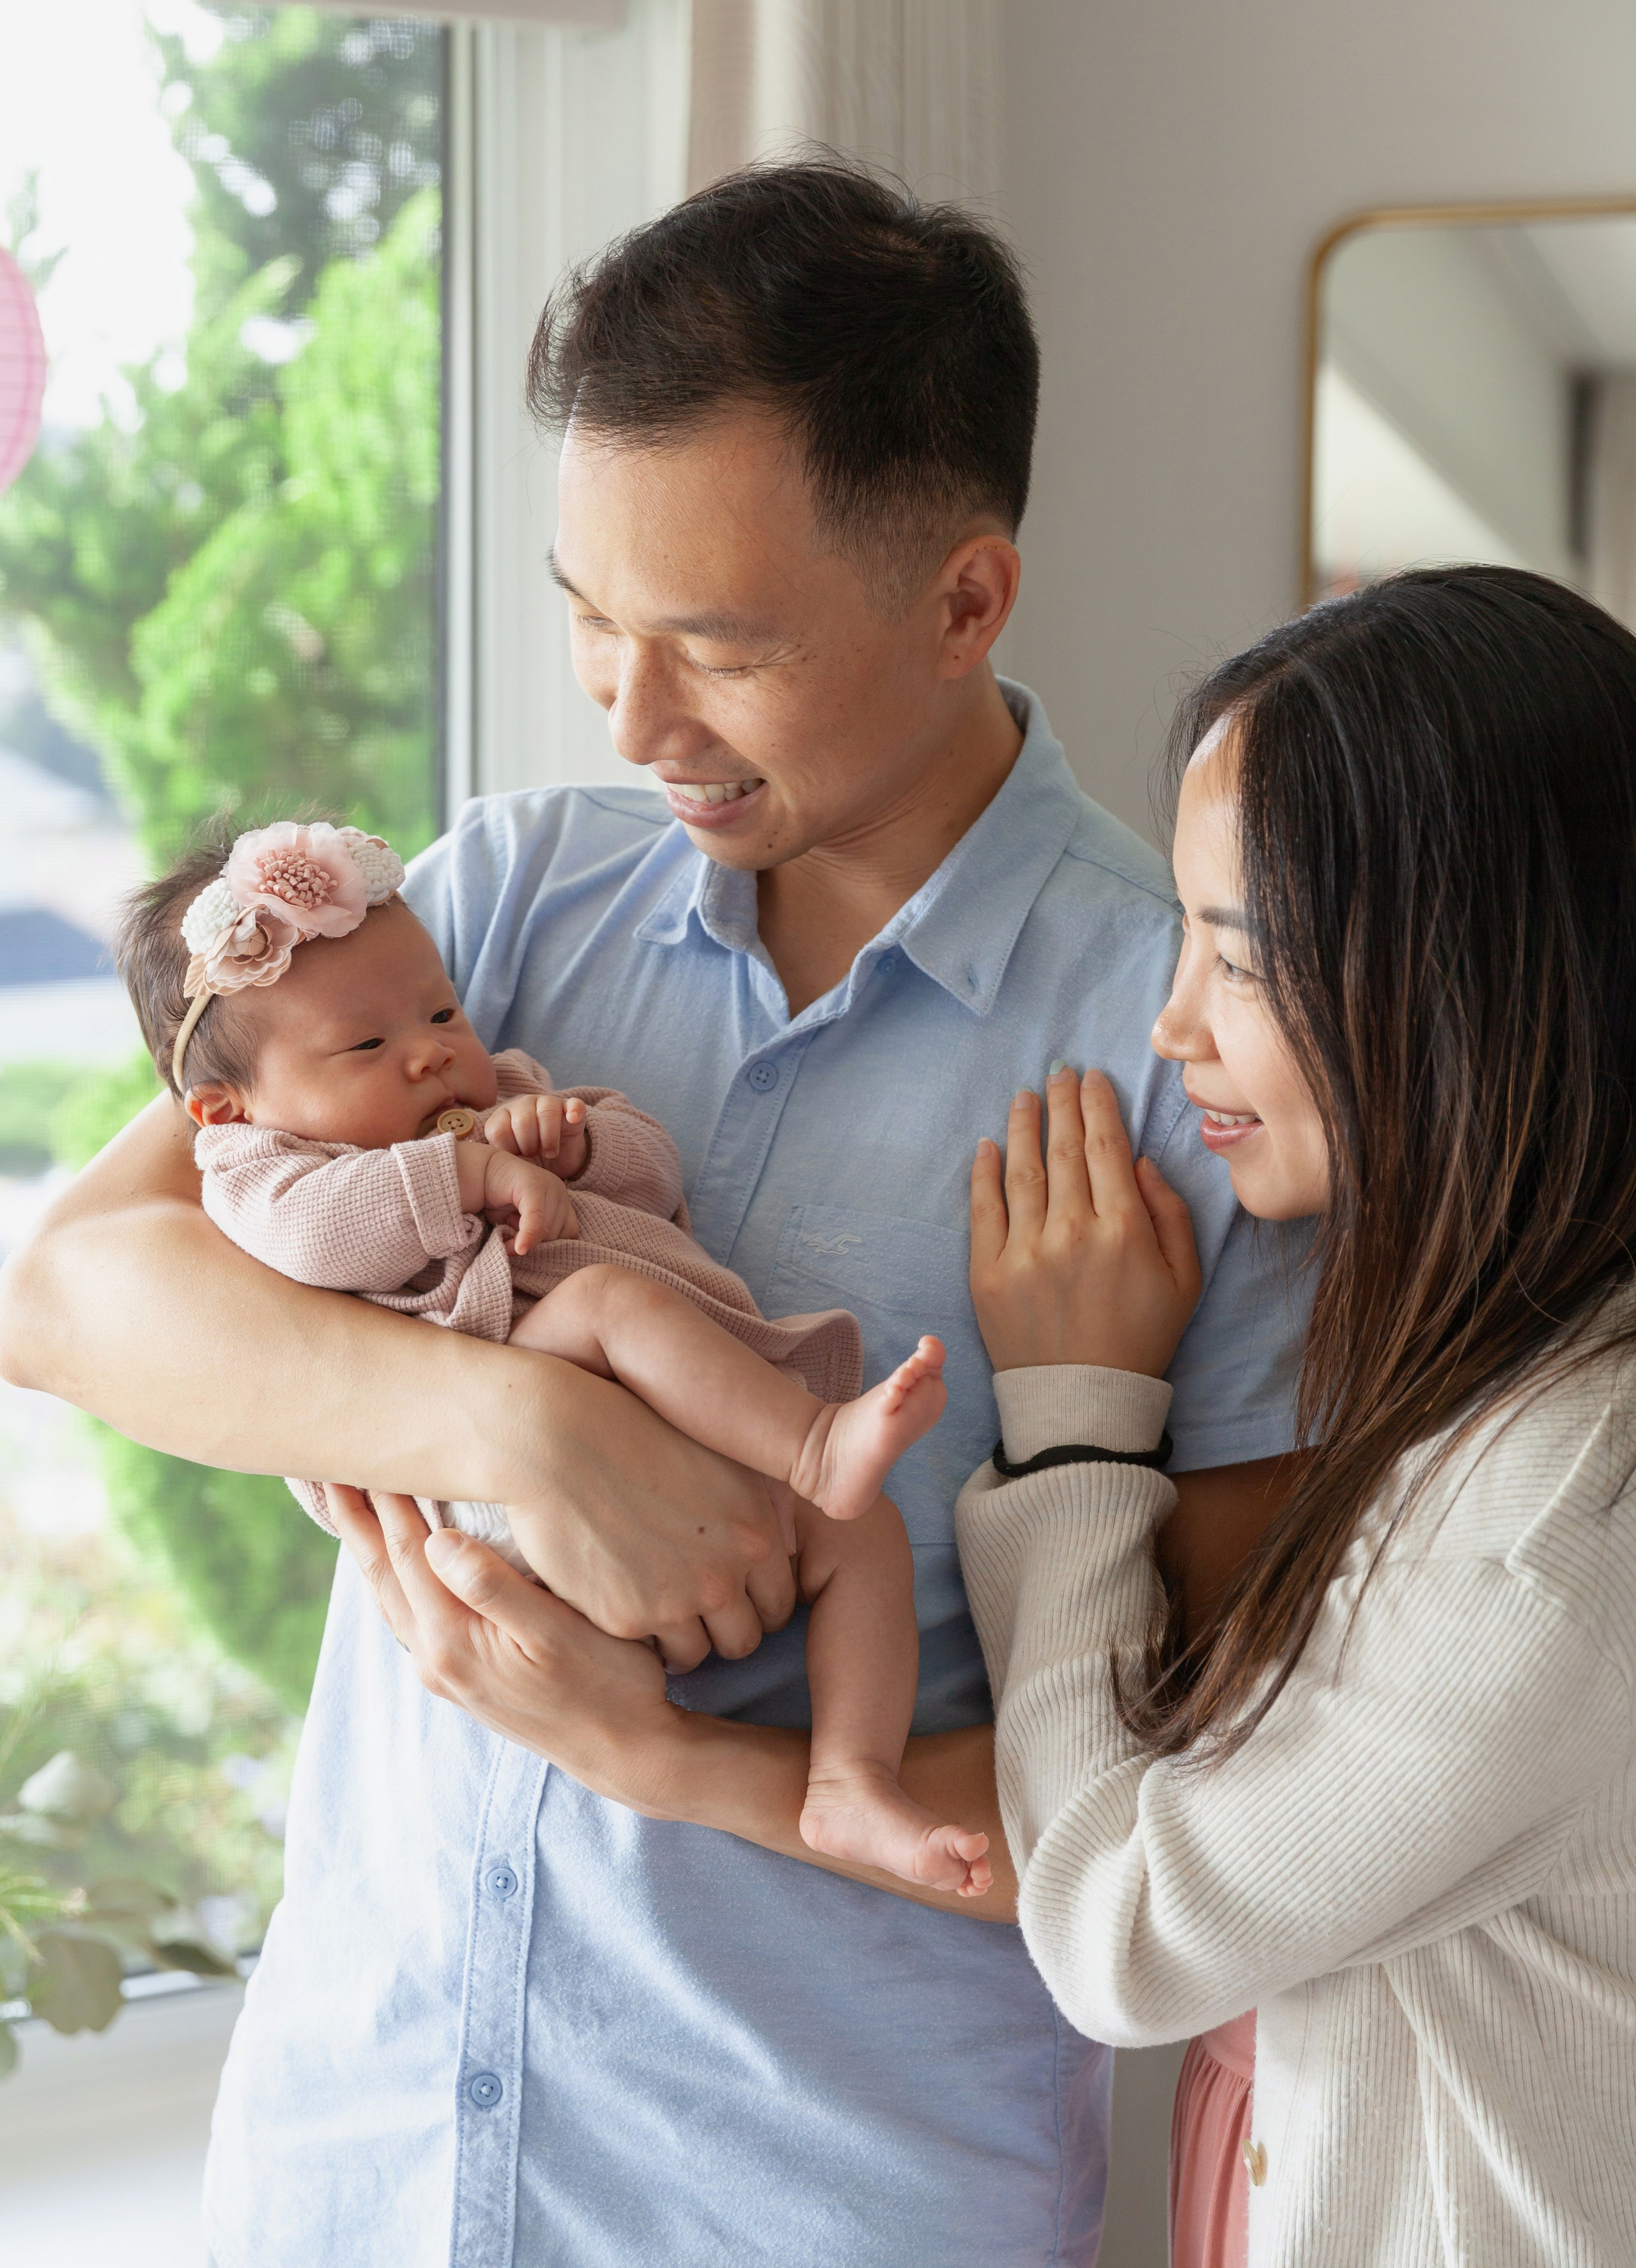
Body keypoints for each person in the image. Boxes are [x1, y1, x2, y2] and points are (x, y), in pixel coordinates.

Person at [0, 162, 1306, 2267]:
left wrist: (687, 1763)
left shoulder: (1193, 1052)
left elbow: (1229, 1797)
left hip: (826, 2205)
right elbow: (68, 1294)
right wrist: (522, 1432)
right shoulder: (505, 899)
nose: (628, 712)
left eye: (714, 647)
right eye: (591, 617)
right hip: (354, 2161)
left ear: (967, 600)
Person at [953, 567, 1636, 2264]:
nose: (1172, 1021)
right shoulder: (1500, 1390)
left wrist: (1076, 1431)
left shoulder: (1546, 1540)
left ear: (1455, 980)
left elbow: (1125, 1931)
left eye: (1238, 958)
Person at [117, 816, 977, 1893]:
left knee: (867, 1539)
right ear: (224, 1107)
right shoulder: (259, 1171)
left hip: (663, 1469)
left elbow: (653, 1173)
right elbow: (317, 1236)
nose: (431, 1050)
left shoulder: (504, 1093)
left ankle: (850, 1778)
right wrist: (469, 1174)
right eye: (366, 1047)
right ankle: (811, 1444)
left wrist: (575, 1140)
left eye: (441, 1012)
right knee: (611, 1300)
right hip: (477, 1493)